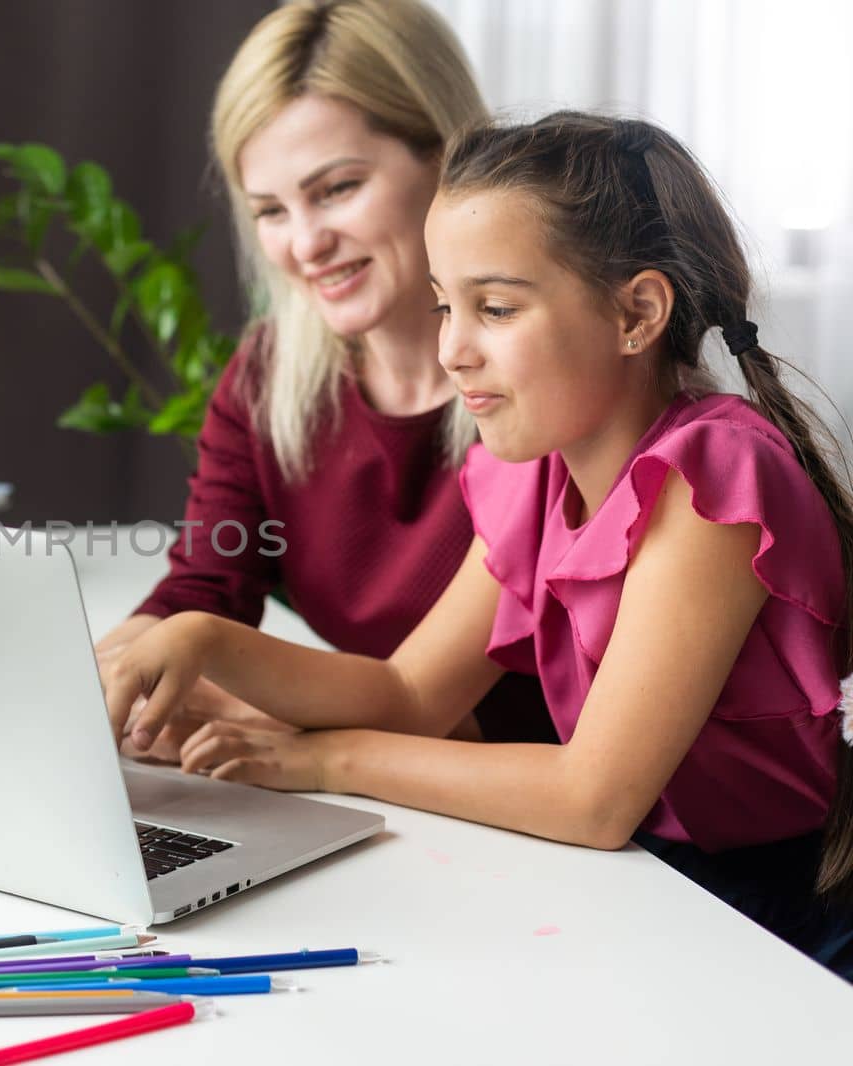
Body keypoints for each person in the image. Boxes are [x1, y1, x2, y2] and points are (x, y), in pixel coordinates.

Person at [102, 110, 853, 979]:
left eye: (494, 308)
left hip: (775, 925)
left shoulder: (709, 477)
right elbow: (408, 692)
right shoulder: (531, 475)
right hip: (645, 889)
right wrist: (204, 643)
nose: (453, 349)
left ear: (637, 313)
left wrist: (325, 759)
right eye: (444, 306)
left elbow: (594, 799)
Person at [97, 0, 553, 753]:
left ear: (448, 157)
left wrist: (272, 721)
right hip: (374, 787)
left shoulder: (546, 388)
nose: (306, 242)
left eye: (337, 188)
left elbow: (559, 709)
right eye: (270, 210)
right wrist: (111, 675)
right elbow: (206, 588)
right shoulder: (267, 378)